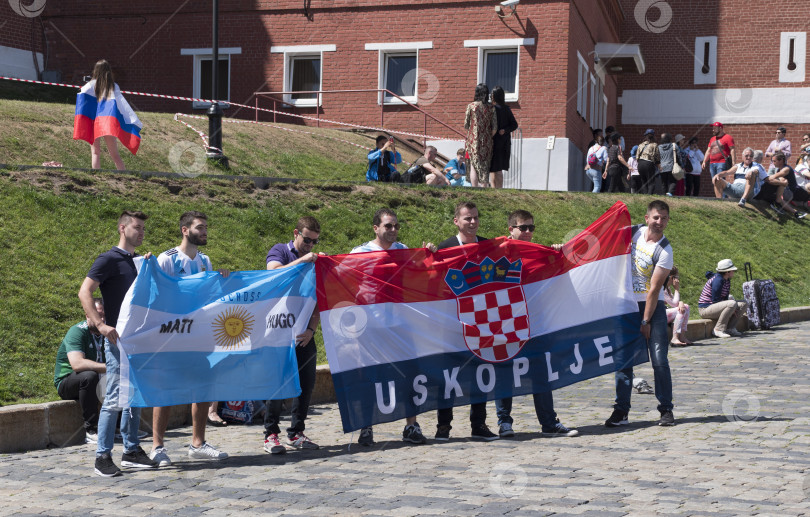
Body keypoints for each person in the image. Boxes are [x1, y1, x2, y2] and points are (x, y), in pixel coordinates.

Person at [78, 210, 158, 477]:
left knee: (134, 397)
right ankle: (102, 456)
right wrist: (100, 325)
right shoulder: (109, 259)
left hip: (139, 340)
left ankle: (132, 450)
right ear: (122, 228)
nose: (142, 232)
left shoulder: (139, 261)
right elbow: (84, 291)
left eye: (144, 228)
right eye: (137, 227)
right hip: (117, 340)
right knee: (115, 398)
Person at [351, 208, 437, 446]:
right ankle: (366, 427)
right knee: (370, 377)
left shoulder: (403, 250)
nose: (393, 230)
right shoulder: (360, 252)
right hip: (371, 327)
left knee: (409, 375)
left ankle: (411, 426)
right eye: (388, 226)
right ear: (375, 228)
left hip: (400, 324)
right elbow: (341, 277)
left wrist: (429, 253)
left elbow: (425, 271)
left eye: (396, 226)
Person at [150, 211, 230, 466]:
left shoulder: (205, 261)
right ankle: (157, 447)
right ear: (185, 230)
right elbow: (155, 296)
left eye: (206, 227)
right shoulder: (167, 259)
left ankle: (198, 443)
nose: (205, 231)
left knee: (203, 386)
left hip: (199, 334)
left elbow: (207, 295)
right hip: (172, 334)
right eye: (200, 227)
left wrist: (223, 280)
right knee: (165, 390)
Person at [494, 210, 578, 438]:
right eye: (524, 228)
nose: (529, 232)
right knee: (505, 374)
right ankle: (504, 423)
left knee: (541, 374)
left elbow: (561, 268)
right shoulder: (498, 252)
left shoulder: (538, 252)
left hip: (535, 324)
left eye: (532, 227)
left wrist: (557, 252)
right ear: (511, 229)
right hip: (506, 323)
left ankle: (549, 423)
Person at [605, 200, 675, 428]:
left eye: (664, 218)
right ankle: (621, 411)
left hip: (651, 309)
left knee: (659, 360)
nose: (660, 222)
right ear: (647, 218)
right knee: (623, 360)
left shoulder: (664, 250)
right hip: (625, 305)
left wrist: (645, 320)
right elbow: (602, 238)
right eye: (656, 217)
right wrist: (566, 247)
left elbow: (655, 290)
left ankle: (666, 409)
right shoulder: (633, 232)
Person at [435, 202, 498, 441]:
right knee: (448, 377)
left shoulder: (488, 246)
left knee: (479, 375)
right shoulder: (446, 247)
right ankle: (443, 427)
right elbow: (433, 281)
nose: (472, 222)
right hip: (451, 322)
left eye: (475, 218)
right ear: (456, 221)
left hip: (481, 321)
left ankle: (478, 424)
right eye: (467, 219)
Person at [262, 216, 322, 454]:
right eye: (307, 240)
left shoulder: (314, 262)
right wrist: (302, 261)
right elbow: (273, 274)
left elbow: (318, 298)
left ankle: (296, 433)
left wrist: (311, 329)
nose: (310, 246)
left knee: (305, 386)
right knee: (278, 386)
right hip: (278, 332)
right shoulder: (281, 251)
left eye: (314, 242)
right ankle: (270, 434)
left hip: (303, 333)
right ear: (296, 233)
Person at [53, 298, 107, 444]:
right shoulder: (77, 332)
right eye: (98, 315)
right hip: (67, 382)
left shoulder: (107, 332)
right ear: (88, 315)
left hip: (98, 379)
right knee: (89, 376)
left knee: (122, 376)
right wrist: (110, 367)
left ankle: (120, 428)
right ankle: (91, 430)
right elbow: (77, 364)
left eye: (104, 315)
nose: (102, 319)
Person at [74, 59, 140, 170]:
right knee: (114, 154)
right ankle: (123, 176)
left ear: (96, 71)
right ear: (108, 71)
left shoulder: (90, 85)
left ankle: (97, 176)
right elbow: (120, 104)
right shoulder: (114, 86)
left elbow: (82, 94)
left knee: (95, 152)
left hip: (94, 121)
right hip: (108, 121)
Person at [698, 259, 748, 339]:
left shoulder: (726, 280)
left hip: (716, 307)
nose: (733, 272)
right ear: (727, 272)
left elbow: (725, 298)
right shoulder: (718, 280)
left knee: (743, 303)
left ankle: (730, 328)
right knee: (732, 303)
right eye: (732, 270)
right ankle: (718, 329)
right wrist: (732, 307)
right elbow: (716, 300)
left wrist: (733, 308)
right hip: (706, 309)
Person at [464, 83, 496, 188]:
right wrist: (488, 136)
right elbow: (494, 127)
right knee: (485, 165)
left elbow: (466, 125)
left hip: (473, 140)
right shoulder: (491, 108)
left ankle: (474, 187)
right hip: (487, 141)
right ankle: (484, 186)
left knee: (474, 164)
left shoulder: (471, 106)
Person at [489, 85, 518, 189]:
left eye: (492, 94)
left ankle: (498, 189)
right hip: (504, 142)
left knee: (496, 168)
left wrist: (504, 130)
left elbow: (515, 125)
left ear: (494, 96)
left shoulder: (493, 109)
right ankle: (495, 189)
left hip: (496, 142)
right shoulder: (506, 109)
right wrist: (506, 130)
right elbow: (514, 125)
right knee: (494, 168)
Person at [770, 151, 809, 218]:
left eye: (774, 161)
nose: (773, 163)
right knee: (777, 194)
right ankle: (795, 213)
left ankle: (778, 205)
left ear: (781, 160)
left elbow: (773, 177)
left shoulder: (786, 169)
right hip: (789, 191)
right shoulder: (779, 169)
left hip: (792, 192)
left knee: (776, 192)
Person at [662, 267, 692, 347]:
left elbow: (675, 302)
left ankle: (682, 336)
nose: (678, 280)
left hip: (664, 313)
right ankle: (674, 338)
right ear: (672, 277)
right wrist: (677, 290)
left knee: (686, 307)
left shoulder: (667, 288)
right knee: (682, 309)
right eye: (677, 277)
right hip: (658, 315)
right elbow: (674, 304)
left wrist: (681, 302)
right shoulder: (662, 288)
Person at [635, 129, 661, 194]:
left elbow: (637, 157)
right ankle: (649, 197)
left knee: (643, 181)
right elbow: (657, 158)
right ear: (653, 136)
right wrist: (659, 167)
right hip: (649, 163)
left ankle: (645, 197)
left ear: (645, 136)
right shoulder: (654, 145)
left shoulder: (640, 145)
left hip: (640, 164)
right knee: (651, 182)